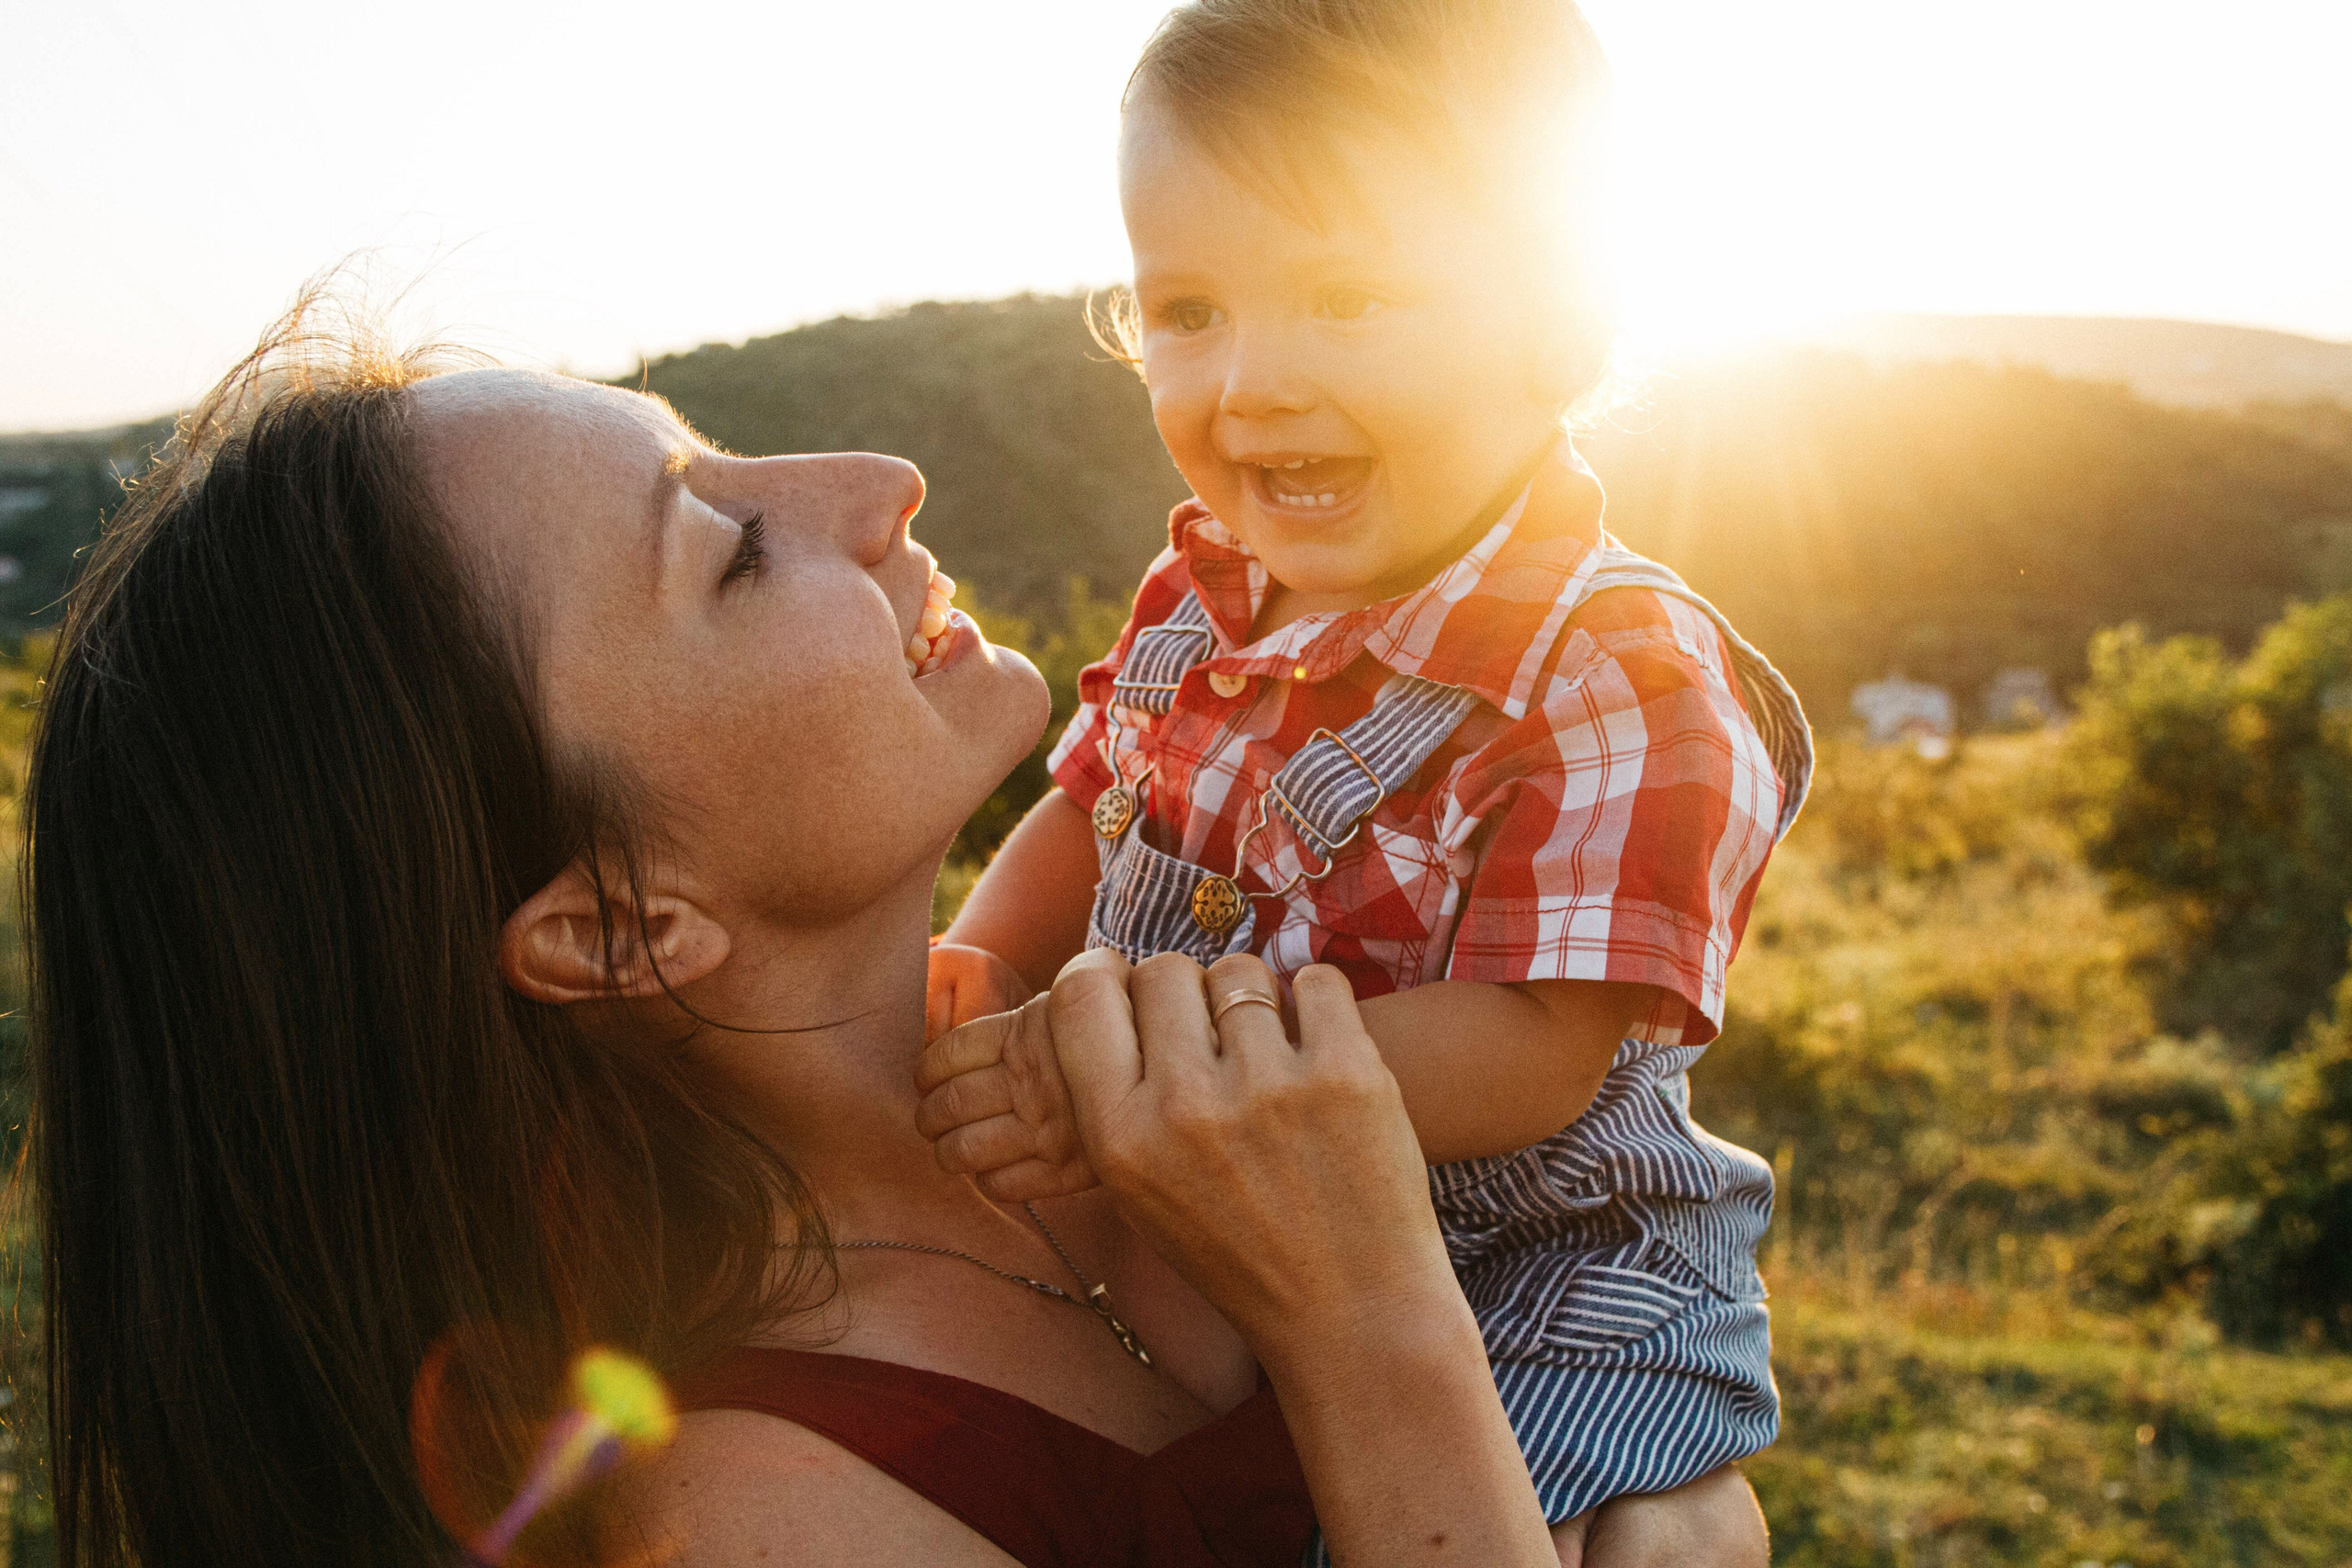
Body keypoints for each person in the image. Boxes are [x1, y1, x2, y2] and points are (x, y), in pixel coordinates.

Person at [23, 301, 1767, 1568]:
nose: (879, 482)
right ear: (618, 925)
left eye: (723, 451)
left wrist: (1682, 1489)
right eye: (724, 552)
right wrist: (1378, 1326)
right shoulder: (773, 1509)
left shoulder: (1094, 1049)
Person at [922, 3, 1810, 1559]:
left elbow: (1533, 1047)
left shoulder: (1618, 672)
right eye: (1187, 308)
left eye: (1347, 296)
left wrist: (1124, 1081)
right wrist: (986, 971)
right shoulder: (1199, 595)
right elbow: (1090, 803)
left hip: (1539, 1290)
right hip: (1209, 1218)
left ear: (1560, 325)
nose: (1253, 381)